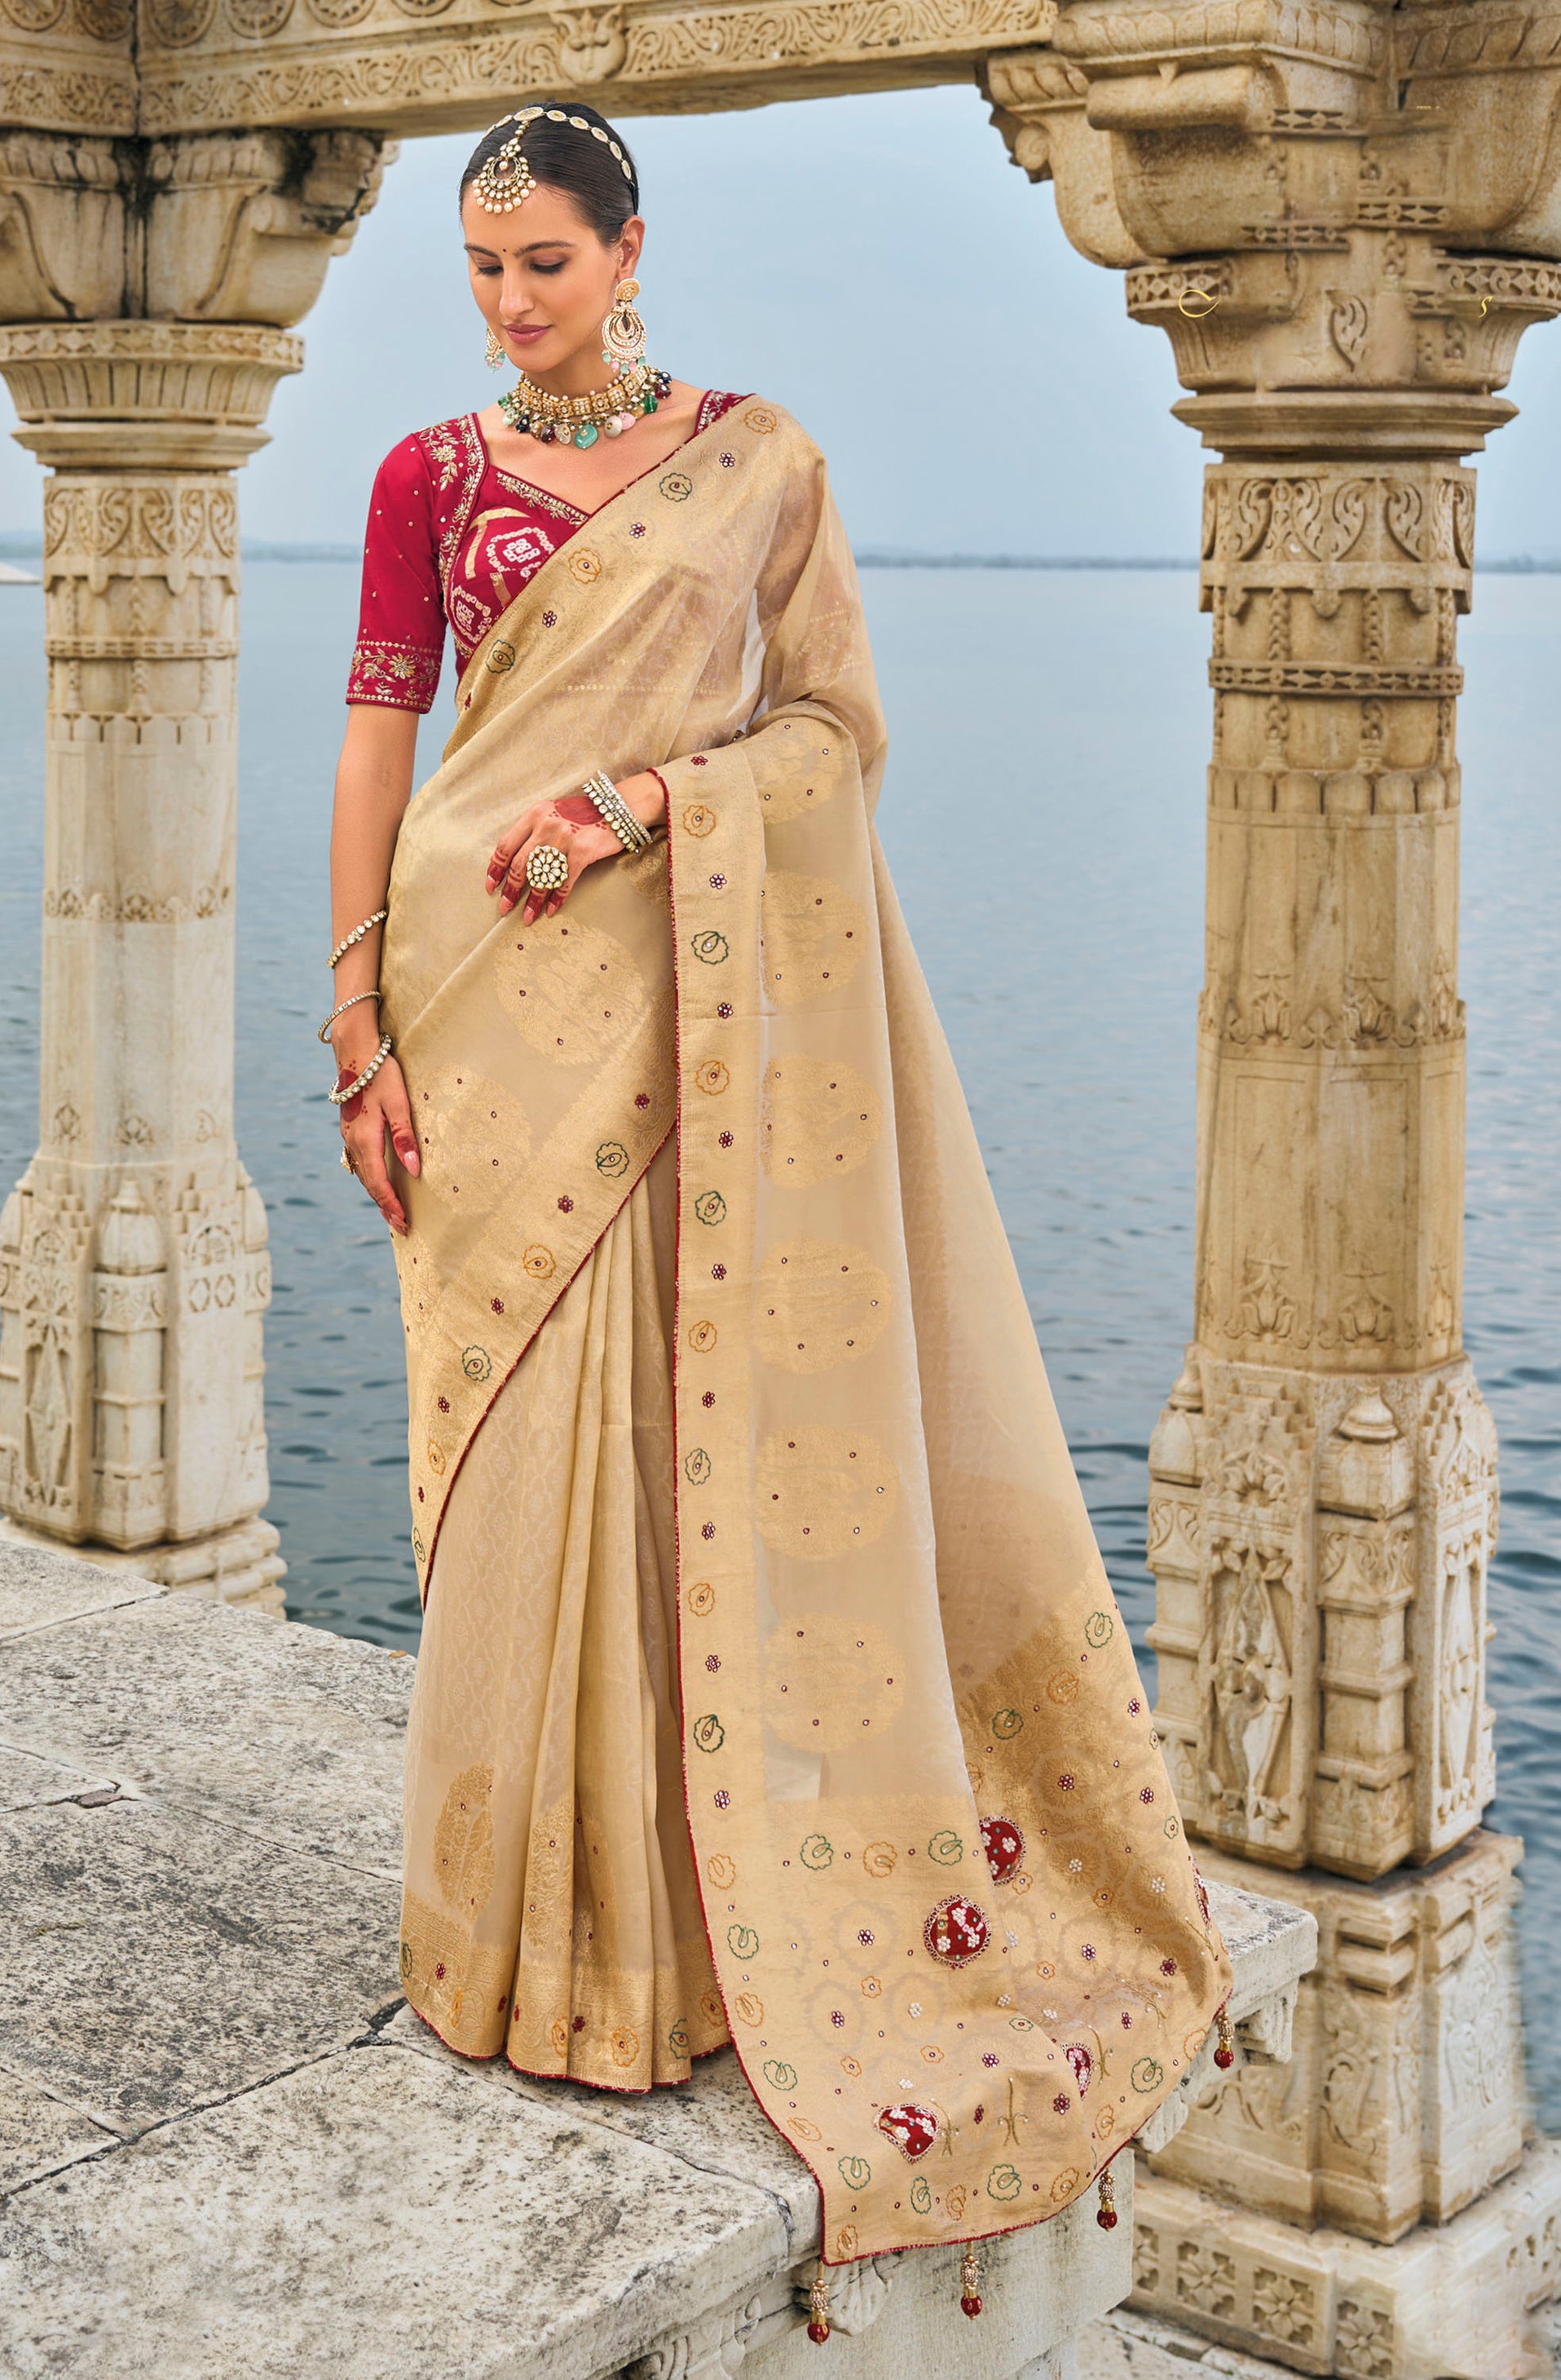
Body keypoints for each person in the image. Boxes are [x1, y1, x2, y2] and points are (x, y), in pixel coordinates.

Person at [326, 101, 1231, 2297]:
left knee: (674, 1451)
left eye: (546, 261)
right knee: (512, 1462)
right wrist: (354, 1020)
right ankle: (503, 1938)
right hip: (474, 1015)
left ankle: (666, 1951)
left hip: (678, 1024)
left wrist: (645, 799)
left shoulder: (762, 465)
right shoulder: (425, 478)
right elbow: (377, 735)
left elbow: (830, 737)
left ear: (631, 252)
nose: (511, 301)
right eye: (482, 267)